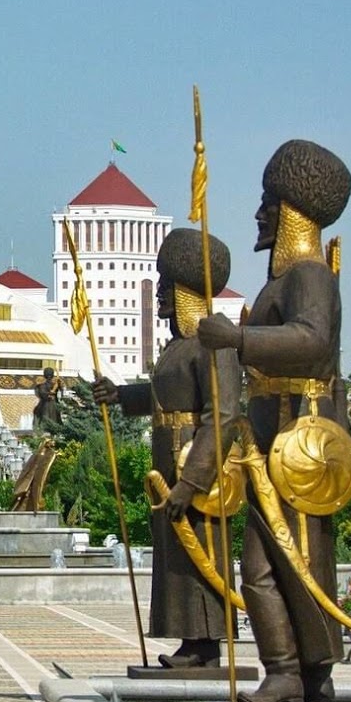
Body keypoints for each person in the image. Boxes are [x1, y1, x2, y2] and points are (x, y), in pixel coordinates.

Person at [198, 139, 351, 702]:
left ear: (290, 211)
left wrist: (238, 338)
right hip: (274, 441)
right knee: (278, 562)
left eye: (268, 202)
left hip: (300, 443)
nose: (258, 214)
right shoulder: (279, 282)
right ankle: (304, 675)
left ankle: (296, 672)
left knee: (279, 564)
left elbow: (312, 339)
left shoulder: (308, 277)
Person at [93, 228, 240, 668]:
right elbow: (164, 395)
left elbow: (224, 416)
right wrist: (121, 395)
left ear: (187, 290)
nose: (158, 295)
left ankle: (207, 643)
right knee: (175, 556)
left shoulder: (214, 344)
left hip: (198, 469)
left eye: (166, 287)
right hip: (168, 464)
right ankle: (191, 641)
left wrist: (193, 481)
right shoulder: (178, 347)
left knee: (200, 553)